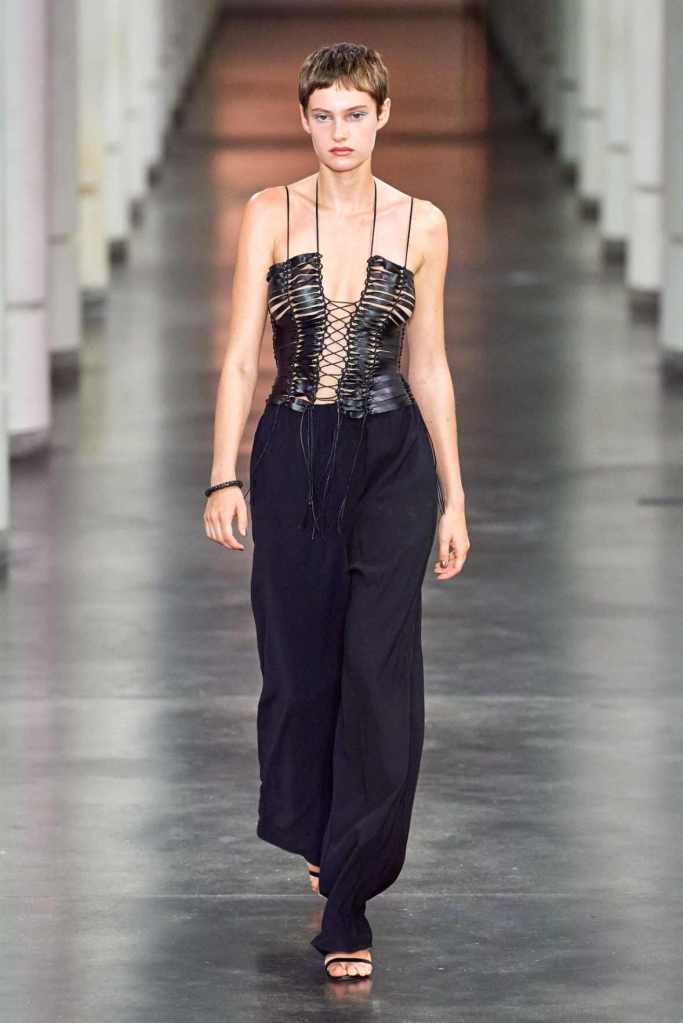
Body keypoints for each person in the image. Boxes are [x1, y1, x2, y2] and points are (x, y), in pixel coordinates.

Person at [203, 42, 469, 982]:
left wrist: (454, 495)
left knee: (380, 674)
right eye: (322, 115)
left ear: (383, 115)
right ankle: (319, 826)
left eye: (355, 113)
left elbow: (428, 364)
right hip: (293, 454)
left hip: (393, 460)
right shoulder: (269, 212)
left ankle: (348, 897)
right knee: (299, 667)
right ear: (304, 120)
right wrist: (222, 474)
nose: (339, 132)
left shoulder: (423, 223)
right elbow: (242, 353)